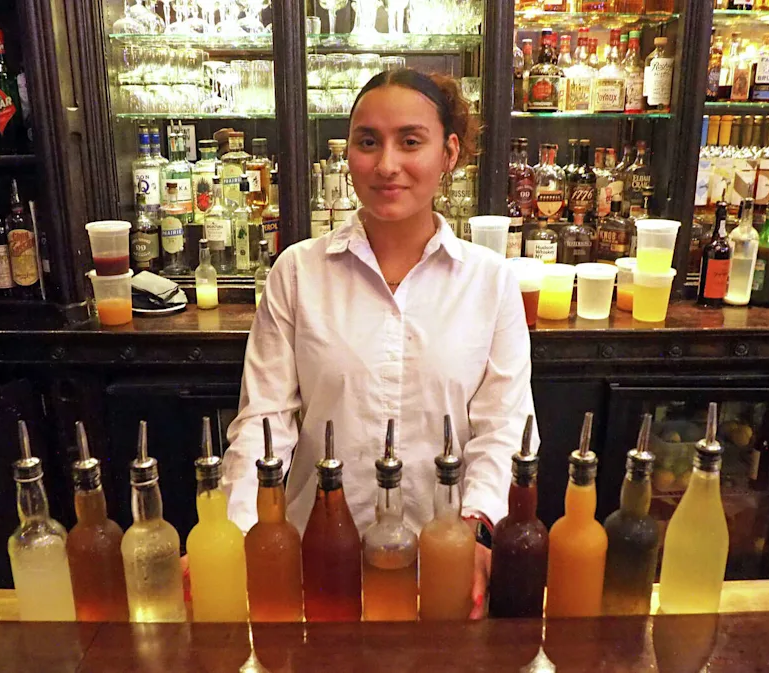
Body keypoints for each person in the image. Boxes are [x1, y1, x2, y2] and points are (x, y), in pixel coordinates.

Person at [222, 69, 539, 619]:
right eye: (368, 142)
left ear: (449, 153)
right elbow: (264, 422)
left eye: (410, 142)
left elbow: (503, 428)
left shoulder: (490, 281)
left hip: (443, 562)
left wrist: (476, 532)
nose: (387, 164)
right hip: (316, 560)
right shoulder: (297, 272)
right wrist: (238, 534)